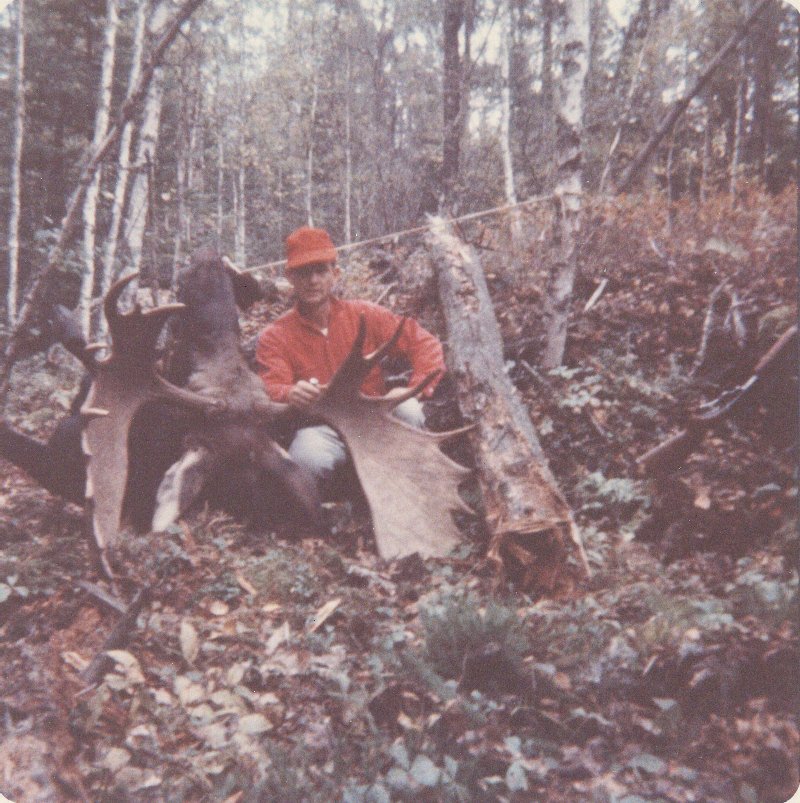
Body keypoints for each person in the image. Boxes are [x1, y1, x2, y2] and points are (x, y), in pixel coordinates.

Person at [256, 226, 445, 491]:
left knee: (409, 409)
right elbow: (270, 388)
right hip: (323, 427)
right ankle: (350, 493)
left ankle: (412, 487)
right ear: (290, 278)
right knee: (305, 459)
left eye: (321, 270)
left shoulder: (364, 315)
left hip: (374, 417)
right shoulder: (275, 336)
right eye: (303, 272)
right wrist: (289, 393)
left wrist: (415, 387)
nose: (313, 280)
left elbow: (424, 343)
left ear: (335, 274)